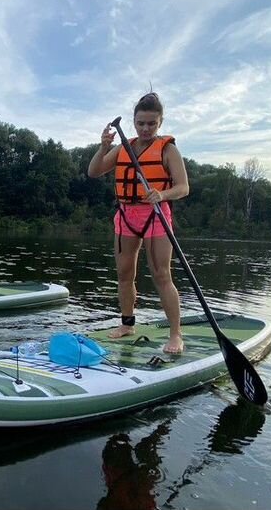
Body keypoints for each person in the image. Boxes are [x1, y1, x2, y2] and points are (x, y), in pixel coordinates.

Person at [87, 92, 189, 353]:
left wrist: (162, 194)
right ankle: (127, 323)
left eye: (151, 124)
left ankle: (176, 334)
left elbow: (183, 187)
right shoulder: (124, 147)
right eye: (141, 123)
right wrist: (103, 147)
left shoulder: (168, 149)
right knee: (124, 273)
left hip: (155, 215)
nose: (145, 128)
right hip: (126, 216)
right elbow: (94, 172)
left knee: (161, 274)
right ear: (134, 122)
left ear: (160, 123)